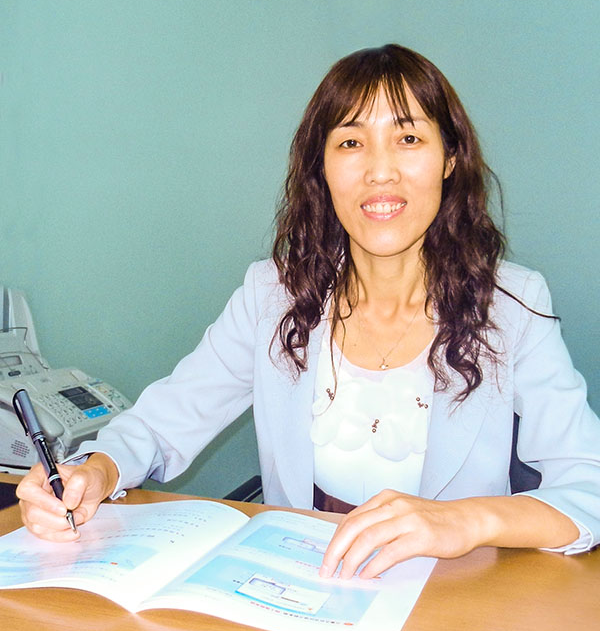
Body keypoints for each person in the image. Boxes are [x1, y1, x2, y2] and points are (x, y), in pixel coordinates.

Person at [17, 44, 600, 578]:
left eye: (408, 138)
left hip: (455, 601)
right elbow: (159, 424)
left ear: (450, 159)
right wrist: (93, 472)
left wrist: (464, 521)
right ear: (321, 166)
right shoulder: (272, 294)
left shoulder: (513, 306)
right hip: (300, 592)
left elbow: (589, 487)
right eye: (350, 143)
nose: (380, 171)